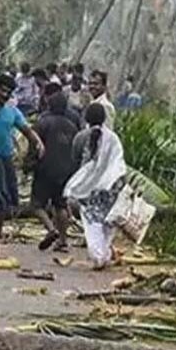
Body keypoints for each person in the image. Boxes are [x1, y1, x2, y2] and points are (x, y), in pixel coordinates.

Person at [0, 73, 45, 260]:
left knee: (2, 207)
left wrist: (37, 143)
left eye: (8, 92)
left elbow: (26, 129)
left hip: (5, 161)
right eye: (1, 90)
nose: (4, 94)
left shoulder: (12, 111)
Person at [66, 103, 127, 270]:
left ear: (86, 118)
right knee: (107, 221)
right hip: (110, 187)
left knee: (92, 222)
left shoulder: (80, 137)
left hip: (90, 188)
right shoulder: (114, 138)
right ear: (104, 118)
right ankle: (104, 254)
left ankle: (98, 256)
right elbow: (119, 163)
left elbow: (75, 161)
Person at [31, 92, 79, 252]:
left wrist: (29, 164)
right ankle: (63, 241)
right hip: (65, 172)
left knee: (37, 205)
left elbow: (34, 145)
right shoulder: (72, 126)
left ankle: (51, 229)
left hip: (45, 170)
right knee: (61, 205)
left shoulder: (43, 123)